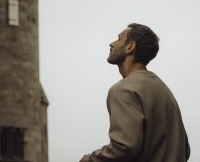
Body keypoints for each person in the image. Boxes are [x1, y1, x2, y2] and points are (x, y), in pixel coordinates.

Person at [80, 23, 191, 162]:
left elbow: (125, 147)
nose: (112, 43)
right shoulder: (165, 92)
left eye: (119, 39)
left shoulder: (123, 90)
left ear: (130, 47)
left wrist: (88, 160)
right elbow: (185, 150)